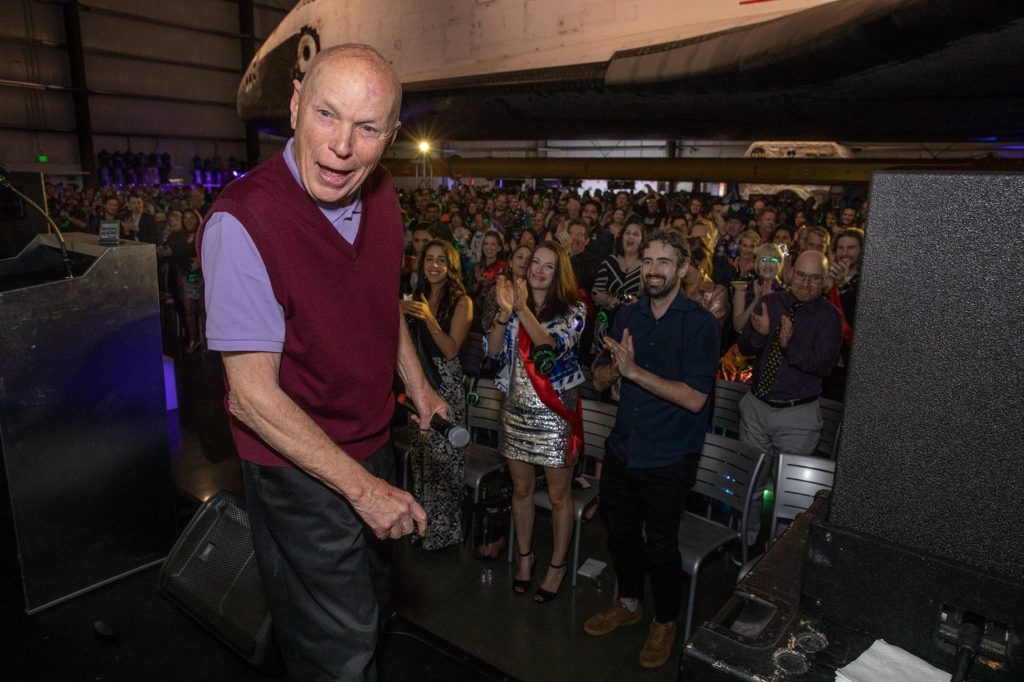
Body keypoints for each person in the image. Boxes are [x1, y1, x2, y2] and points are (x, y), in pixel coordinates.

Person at [197, 44, 446, 681]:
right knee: (338, 651)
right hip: (294, 465)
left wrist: (417, 385)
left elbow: (378, 297)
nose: (342, 146)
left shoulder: (384, 194)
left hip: (372, 439)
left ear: (390, 137)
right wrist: (362, 492)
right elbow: (251, 397)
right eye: (326, 116)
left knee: (370, 611)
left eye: (366, 129)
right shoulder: (243, 220)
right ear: (295, 106)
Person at [584, 232, 720, 670]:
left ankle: (665, 619)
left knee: (660, 544)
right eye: (648, 260)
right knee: (620, 533)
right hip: (625, 447)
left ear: (682, 269)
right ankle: (628, 603)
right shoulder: (629, 314)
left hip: (669, 455)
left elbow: (696, 398)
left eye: (665, 261)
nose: (654, 269)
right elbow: (604, 377)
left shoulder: (699, 324)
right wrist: (608, 374)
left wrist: (634, 372)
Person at [484, 240, 586, 604]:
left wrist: (521, 308)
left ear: (559, 274)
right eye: (534, 264)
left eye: (548, 266)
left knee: (559, 496)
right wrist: (502, 313)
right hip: (515, 411)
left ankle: (556, 565)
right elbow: (493, 352)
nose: (538, 270)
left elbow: (548, 346)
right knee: (522, 491)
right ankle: (525, 559)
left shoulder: (574, 310)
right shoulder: (512, 308)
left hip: (554, 414)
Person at [402, 240, 473, 550]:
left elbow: (451, 348)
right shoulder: (416, 295)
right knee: (421, 458)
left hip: (446, 383)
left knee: (443, 460)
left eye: (441, 261)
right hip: (420, 381)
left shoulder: (462, 301)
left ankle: (443, 534)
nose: (433, 265)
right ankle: (421, 527)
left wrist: (427, 317)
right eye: (429, 259)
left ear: (451, 266)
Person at [738, 250, 842, 459]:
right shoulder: (770, 303)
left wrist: (788, 346)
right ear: (790, 273)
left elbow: (823, 365)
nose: (806, 283)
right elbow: (745, 349)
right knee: (750, 481)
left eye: (814, 278)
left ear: (825, 281)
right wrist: (760, 335)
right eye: (801, 275)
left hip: (797, 417)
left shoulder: (829, 317)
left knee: (789, 489)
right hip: (756, 408)